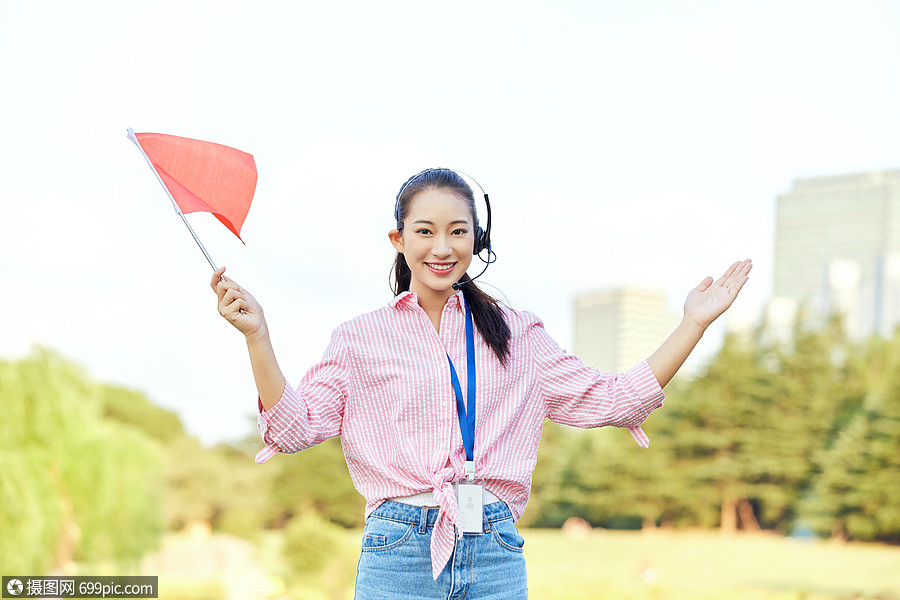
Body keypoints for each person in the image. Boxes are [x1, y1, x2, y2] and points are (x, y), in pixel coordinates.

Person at [211, 168, 752, 600]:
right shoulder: (359, 339)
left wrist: (694, 323)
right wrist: (258, 337)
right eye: (424, 231)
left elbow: (613, 399)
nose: (441, 247)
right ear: (399, 239)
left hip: (493, 545)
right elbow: (295, 426)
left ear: (477, 238)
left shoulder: (519, 334)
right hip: (398, 548)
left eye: (457, 231)